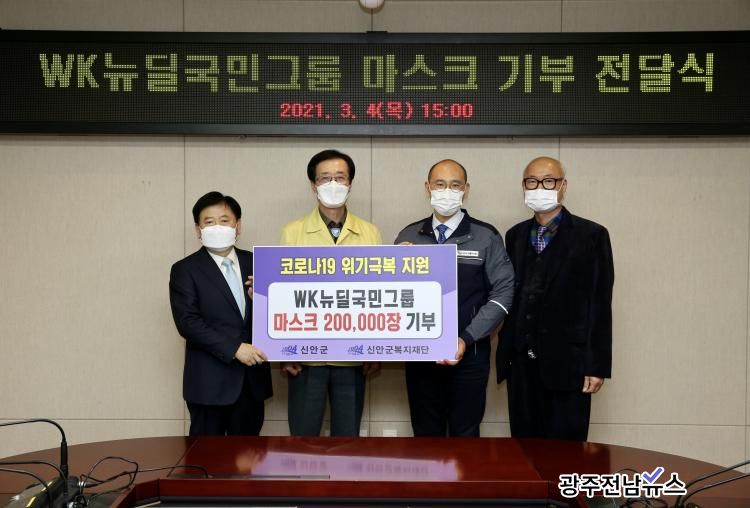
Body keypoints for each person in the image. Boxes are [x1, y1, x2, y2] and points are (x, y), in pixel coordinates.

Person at [496, 156, 614, 441]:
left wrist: (596, 365)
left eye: (548, 181)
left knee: (567, 451)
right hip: (521, 363)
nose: (540, 188)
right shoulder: (515, 235)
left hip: (569, 363)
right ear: (523, 186)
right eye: (532, 181)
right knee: (524, 447)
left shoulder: (592, 235)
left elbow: (600, 302)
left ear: (563, 186)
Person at [394, 159, 514, 437]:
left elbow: (504, 293)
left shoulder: (486, 236)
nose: (447, 191)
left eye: (455, 185)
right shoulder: (408, 235)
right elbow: (390, 297)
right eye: (440, 184)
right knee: (425, 437)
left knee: (466, 437)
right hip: (420, 359)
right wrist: (397, 266)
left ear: (466, 190)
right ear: (427, 188)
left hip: (469, 356)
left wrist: (466, 338)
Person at [280, 149, 382, 436]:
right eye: (325, 178)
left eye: (340, 177)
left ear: (350, 183)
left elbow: (379, 295)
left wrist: (378, 347)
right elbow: (282, 297)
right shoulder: (292, 232)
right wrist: (283, 351)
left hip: (353, 356)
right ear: (313, 185)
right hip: (305, 357)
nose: (333, 184)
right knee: (302, 438)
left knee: (348, 439)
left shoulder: (370, 233)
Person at [169, 191, 272, 436]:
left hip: (251, 384)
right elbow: (188, 323)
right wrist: (235, 349)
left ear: (238, 226)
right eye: (209, 222)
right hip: (208, 385)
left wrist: (260, 301)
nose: (217, 227)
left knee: (249, 456)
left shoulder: (260, 264)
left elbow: (281, 316)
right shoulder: (185, 269)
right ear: (198, 230)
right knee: (205, 456)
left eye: (224, 221)